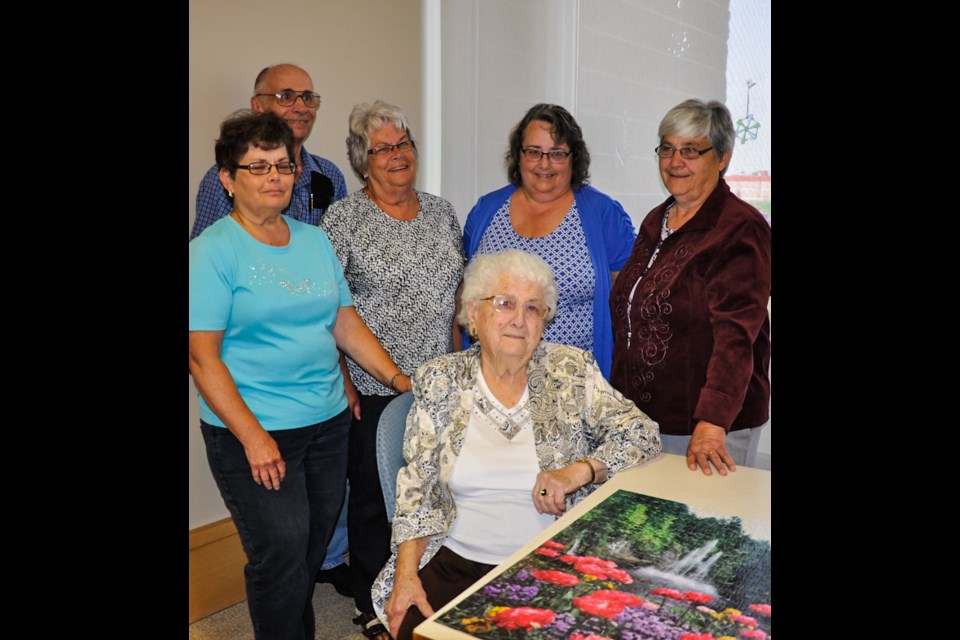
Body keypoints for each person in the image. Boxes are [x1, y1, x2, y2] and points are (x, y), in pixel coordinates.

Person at [188, 110, 412, 640]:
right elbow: (202, 358)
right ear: (228, 178)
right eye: (257, 166)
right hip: (255, 431)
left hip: (328, 422)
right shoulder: (211, 253)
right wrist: (254, 438)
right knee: (281, 552)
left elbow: (343, 321)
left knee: (311, 544)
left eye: (283, 165)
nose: (274, 176)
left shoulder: (313, 241)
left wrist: (397, 379)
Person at [371, 249, 662, 640]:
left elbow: (641, 432)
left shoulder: (570, 370)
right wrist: (406, 575)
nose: (519, 321)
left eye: (533, 309)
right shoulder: (440, 380)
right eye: (505, 304)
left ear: (544, 322)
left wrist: (578, 471)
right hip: (454, 558)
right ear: (473, 315)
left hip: (551, 560)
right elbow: (417, 491)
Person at [319, 100, 465, 640]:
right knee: (377, 497)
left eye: (403, 144)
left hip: (440, 380)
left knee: (437, 490)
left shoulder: (442, 211)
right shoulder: (345, 219)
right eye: (383, 148)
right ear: (363, 162)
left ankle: (427, 583)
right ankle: (372, 602)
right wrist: (342, 379)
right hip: (371, 384)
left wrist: (459, 368)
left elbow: (456, 300)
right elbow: (331, 307)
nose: (397, 155)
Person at [609, 98, 771, 477]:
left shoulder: (739, 229)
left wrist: (713, 421)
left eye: (690, 150)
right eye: (667, 148)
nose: (674, 161)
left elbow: (736, 337)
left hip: (706, 428)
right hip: (646, 420)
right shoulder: (657, 218)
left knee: (702, 531)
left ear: (722, 157)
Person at [462, 103, 637, 379]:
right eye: (533, 152)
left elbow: (630, 305)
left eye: (556, 154)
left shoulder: (603, 215)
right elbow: (466, 298)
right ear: (519, 156)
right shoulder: (486, 210)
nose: (544, 164)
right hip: (492, 383)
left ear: (573, 158)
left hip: (575, 388)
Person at [190, 63, 347, 239]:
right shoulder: (228, 178)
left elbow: (337, 254)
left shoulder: (330, 176)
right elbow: (205, 252)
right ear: (258, 106)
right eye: (286, 97)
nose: (301, 108)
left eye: (308, 97)